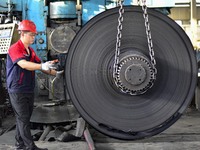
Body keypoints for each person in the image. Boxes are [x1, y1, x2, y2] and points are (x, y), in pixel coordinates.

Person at [6, 20, 58, 150]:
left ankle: (20, 145)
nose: (34, 38)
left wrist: (56, 73)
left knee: (23, 118)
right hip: (17, 89)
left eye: (34, 35)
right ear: (22, 34)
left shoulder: (30, 51)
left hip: (28, 89)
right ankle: (30, 147)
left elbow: (42, 67)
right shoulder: (15, 49)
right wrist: (42, 65)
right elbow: (23, 64)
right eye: (31, 35)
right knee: (23, 119)